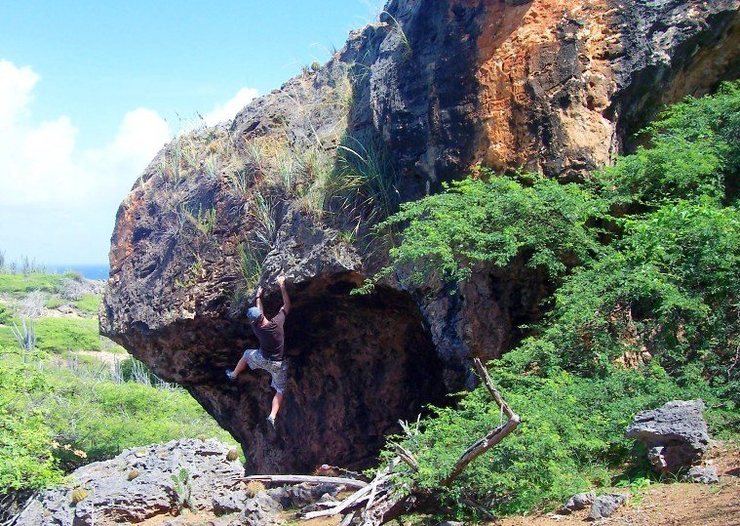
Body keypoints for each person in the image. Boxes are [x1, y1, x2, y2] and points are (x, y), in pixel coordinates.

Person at [226, 275, 291, 428]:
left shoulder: (256, 327)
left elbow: (259, 312)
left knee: (247, 354)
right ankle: (272, 415)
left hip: (262, 358)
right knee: (280, 390)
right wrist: (282, 286)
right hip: (277, 364)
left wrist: (258, 297)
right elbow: (287, 305)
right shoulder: (275, 324)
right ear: (262, 317)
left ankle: (234, 374)